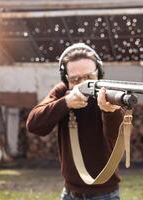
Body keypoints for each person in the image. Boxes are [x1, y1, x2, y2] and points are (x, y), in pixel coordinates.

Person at [26, 43, 124, 200]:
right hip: (70, 193)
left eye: (88, 77)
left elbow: (119, 138)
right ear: (66, 79)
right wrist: (66, 103)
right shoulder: (62, 92)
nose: (82, 83)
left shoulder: (108, 93)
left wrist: (111, 111)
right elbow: (34, 125)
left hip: (105, 193)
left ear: (99, 74)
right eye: (75, 79)